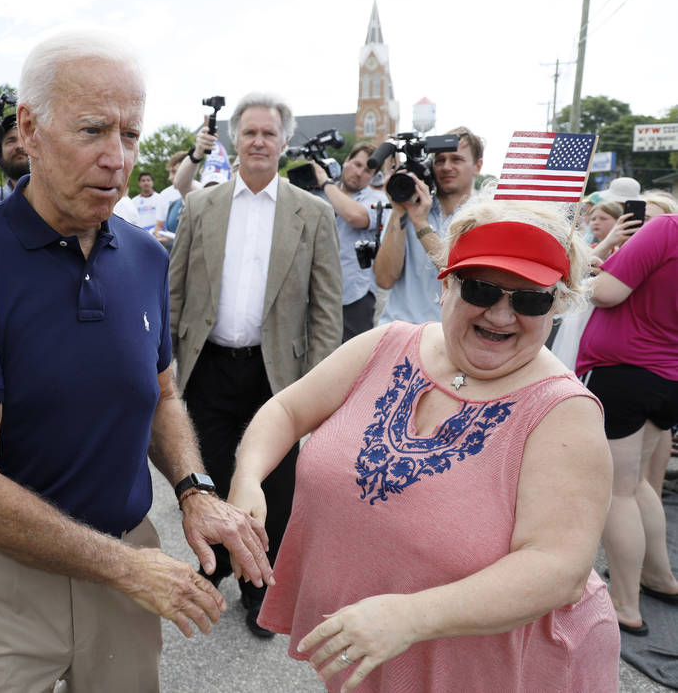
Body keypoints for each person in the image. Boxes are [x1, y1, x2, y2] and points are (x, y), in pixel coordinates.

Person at [0, 31, 272, 692]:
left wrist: (194, 491)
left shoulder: (144, 257)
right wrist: (125, 566)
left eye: (131, 135)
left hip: (125, 567)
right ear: (29, 128)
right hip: (3, 582)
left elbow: (161, 396)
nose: (118, 159)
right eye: (92, 130)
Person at [229, 200, 620, 691]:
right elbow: (286, 411)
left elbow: (557, 567)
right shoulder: (387, 343)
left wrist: (411, 616)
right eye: (481, 288)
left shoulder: (564, 412)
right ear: (445, 285)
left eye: (531, 300)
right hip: (380, 647)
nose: (502, 314)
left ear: (556, 306)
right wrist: (247, 480)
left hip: (495, 668)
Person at [168, 92, 343, 638]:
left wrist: (317, 393)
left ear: (284, 141)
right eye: (250, 133)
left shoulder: (312, 212)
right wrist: (162, 370)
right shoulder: (201, 206)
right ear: (235, 140)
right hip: (209, 369)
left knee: (274, 489)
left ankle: (259, 589)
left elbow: (325, 309)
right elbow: (175, 292)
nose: (260, 142)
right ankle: (214, 569)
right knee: (210, 480)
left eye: (269, 133)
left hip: (278, 380)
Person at [577, 211, 678, 636]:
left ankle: (624, 604)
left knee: (616, 490)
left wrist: (597, 273)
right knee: (636, 485)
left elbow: (607, 293)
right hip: (668, 376)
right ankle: (659, 577)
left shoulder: (667, 229)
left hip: (624, 370)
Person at [375, 127, 483, 325]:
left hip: (451, 335)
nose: (446, 167)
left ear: (477, 166)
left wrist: (421, 224)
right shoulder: (410, 207)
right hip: (400, 329)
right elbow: (384, 279)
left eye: (456, 159)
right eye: (439, 160)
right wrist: (399, 211)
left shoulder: (486, 216)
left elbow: (459, 277)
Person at [312, 142, 388, 340]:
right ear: (346, 161)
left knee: (354, 363)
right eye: (357, 164)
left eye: (368, 170)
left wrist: (326, 183)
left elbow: (356, 216)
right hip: (315, 293)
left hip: (355, 295)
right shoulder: (317, 193)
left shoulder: (377, 199)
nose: (360, 173)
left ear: (373, 176)